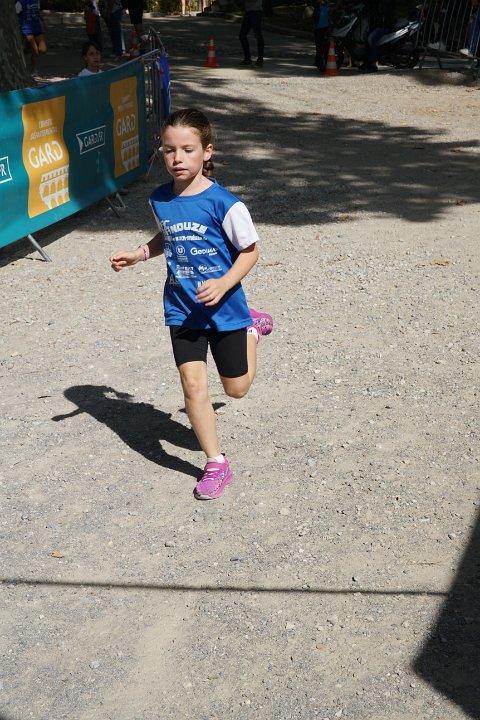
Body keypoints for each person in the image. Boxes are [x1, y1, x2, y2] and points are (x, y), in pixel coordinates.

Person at [110, 108, 273, 501]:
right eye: (169, 150)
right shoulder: (159, 198)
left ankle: (252, 329)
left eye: (187, 149)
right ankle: (216, 463)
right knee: (192, 384)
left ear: (207, 151)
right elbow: (167, 236)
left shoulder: (225, 204)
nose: (177, 158)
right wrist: (140, 253)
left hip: (225, 308)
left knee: (236, 390)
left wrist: (224, 282)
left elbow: (250, 251)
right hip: (182, 307)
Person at [15, 0, 47, 79]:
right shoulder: (20, 2)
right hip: (27, 29)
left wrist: (44, 22)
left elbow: (38, 12)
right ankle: (34, 70)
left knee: (43, 50)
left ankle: (28, 48)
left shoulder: (36, 1)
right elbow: (15, 14)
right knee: (35, 51)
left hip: (37, 27)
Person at [362, 0, 396, 72]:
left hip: (386, 25)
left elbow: (382, 10)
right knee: (365, 37)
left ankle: (373, 65)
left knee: (371, 39)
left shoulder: (385, 2)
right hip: (377, 24)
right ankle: (367, 62)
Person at [239, 0, 265, 67]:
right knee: (242, 35)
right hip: (248, 12)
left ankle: (260, 60)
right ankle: (247, 59)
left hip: (256, 12)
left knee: (258, 35)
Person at [313, 0, 329, 71]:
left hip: (324, 27)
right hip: (317, 27)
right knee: (318, 45)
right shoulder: (316, 5)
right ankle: (318, 61)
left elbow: (325, 4)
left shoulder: (325, 3)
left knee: (324, 45)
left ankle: (324, 60)